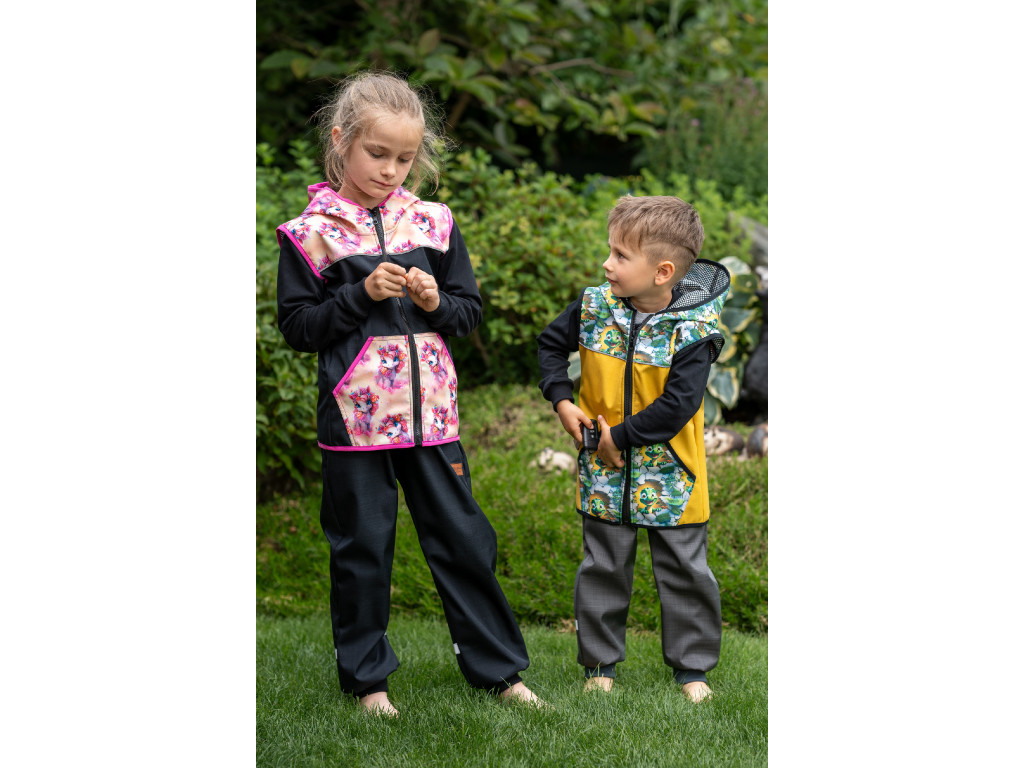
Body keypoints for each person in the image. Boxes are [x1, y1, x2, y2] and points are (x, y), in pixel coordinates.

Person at [275, 71, 543, 716]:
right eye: (377, 154)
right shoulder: (309, 234)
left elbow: (466, 313)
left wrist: (434, 302)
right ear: (340, 140)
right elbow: (299, 328)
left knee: (464, 541)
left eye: (404, 157)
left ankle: (500, 673)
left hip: (433, 420)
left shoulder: (433, 222)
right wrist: (359, 295)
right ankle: (368, 683)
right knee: (362, 549)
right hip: (355, 423)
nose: (390, 170)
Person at [536, 195, 731, 703]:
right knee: (602, 567)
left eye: (621, 255)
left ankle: (693, 669)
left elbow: (677, 406)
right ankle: (599, 665)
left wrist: (615, 439)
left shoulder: (694, 331)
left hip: (674, 479)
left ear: (662, 271)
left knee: (686, 573)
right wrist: (561, 399)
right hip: (603, 476)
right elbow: (550, 345)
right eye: (610, 251)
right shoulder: (594, 307)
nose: (607, 264)